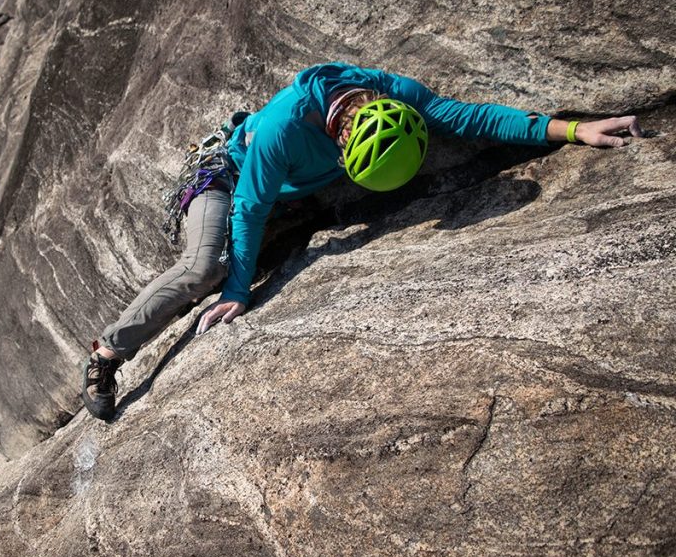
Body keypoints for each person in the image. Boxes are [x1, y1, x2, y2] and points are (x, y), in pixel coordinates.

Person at [81, 61, 643, 420]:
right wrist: (239, 291)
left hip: (286, 190)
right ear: (345, 135)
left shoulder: (393, 95)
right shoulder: (283, 128)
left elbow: (470, 118)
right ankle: (108, 354)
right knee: (204, 269)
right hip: (227, 180)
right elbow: (251, 206)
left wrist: (571, 129)